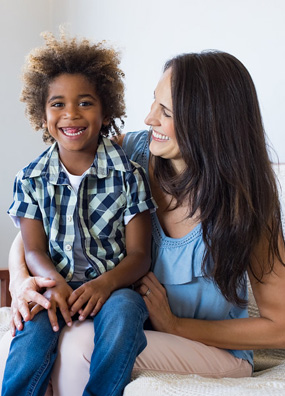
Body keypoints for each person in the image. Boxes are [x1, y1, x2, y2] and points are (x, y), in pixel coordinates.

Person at [1, 50, 285, 396]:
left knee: (80, 345)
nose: (149, 118)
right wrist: (20, 281)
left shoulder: (246, 205)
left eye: (165, 112)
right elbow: (47, 221)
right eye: (154, 102)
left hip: (212, 350)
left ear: (208, 122)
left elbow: (279, 327)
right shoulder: (131, 154)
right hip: (136, 325)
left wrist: (177, 325)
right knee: (21, 340)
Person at [1, 32, 157, 396]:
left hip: (114, 287)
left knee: (124, 314)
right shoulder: (30, 179)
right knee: (31, 326)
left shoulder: (129, 175)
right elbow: (33, 249)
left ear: (106, 112)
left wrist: (105, 285)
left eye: (85, 103)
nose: (71, 114)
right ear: (42, 114)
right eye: (58, 104)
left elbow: (140, 255)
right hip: (54, 281)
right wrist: (52, 283)